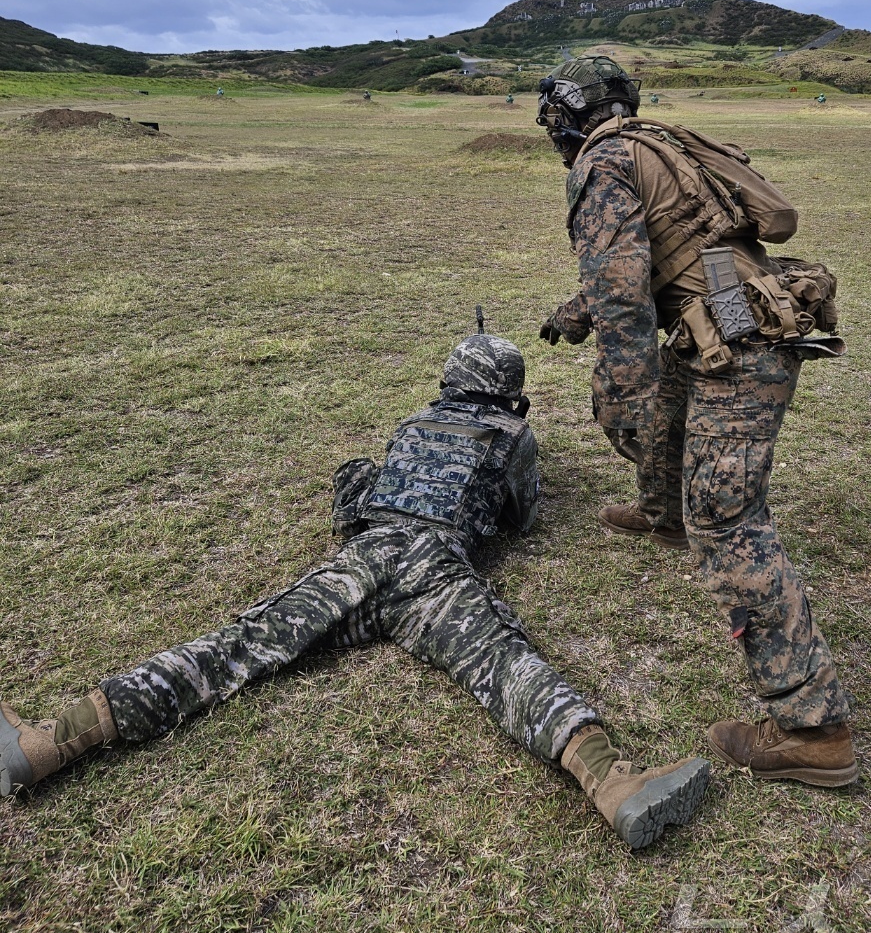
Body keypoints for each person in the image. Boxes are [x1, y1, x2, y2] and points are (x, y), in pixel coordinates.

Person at [1, 335, 709, 848]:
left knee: (239, 645)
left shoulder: (413, 425)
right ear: (508, 388)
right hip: (435, 569)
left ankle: (52, 743)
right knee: (503, 662)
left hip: (364, 558)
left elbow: (356, 500)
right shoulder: (511, 435)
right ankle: (611, 781)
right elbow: (520, 519)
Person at [536, 57, 858, 788]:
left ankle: (813, 729)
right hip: (730, 307)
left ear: (564, 118)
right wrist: (573, 314)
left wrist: (622, 396)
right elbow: (678, 248)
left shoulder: (601, 163)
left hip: (737, 339)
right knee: (672, 420)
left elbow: (623, 294)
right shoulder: (656, 142)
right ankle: (663, 515)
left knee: (727, 518)